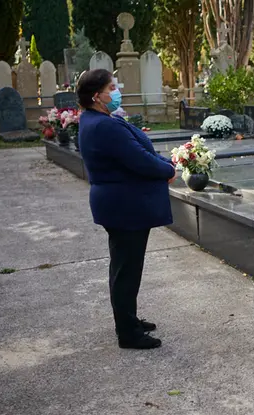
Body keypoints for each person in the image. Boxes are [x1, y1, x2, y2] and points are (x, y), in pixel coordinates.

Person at [76, 69, 178, 349]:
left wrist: (162, 163)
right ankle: (128, 333)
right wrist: (167, 169)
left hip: (120, 204)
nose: (116, 90)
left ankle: (128, 319)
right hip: (124, 206)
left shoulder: (96, 118)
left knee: (126, 267)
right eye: (112, 87)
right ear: (97, 96)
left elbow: (136, 150)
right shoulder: (104, 125)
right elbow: (138, 160)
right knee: (126, 270)